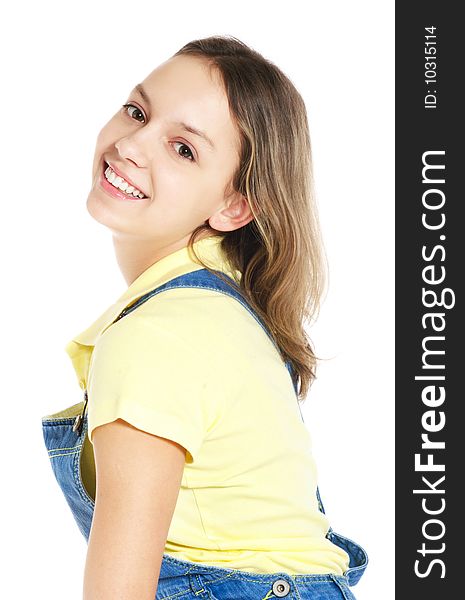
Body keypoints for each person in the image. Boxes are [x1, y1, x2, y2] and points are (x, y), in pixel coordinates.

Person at [41, 35, 368, 599]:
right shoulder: (220, 310)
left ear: (235, 205)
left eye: (183, 149)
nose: (133, 145)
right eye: (138, 111)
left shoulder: (160, 334)